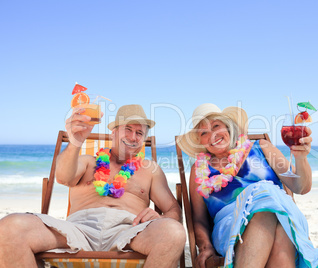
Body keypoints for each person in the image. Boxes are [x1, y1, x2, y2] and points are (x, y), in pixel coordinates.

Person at [0, 104, 186, 268]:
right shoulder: (89, 162)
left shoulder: (150, 170)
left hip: (129, 232)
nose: (133, 136)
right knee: (9, 228)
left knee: (174, 232)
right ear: (113, 132)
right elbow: (63, 178)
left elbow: (173, 210)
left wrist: (161, 218)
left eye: (139, 133)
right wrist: (75, 143)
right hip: (77, 230)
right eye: (127, 129)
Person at [177, 103, 318, 268]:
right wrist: (205, 246)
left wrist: (301, 158)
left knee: (274, 209)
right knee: (270, 206)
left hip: (281, 217)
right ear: (200, 140)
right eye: (204, 132)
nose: (212, 135)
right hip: (230, 231)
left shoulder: (262, 147)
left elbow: (301, 187)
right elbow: (199, 219)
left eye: (216, 126)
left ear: (228, 127)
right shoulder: (200, 170)